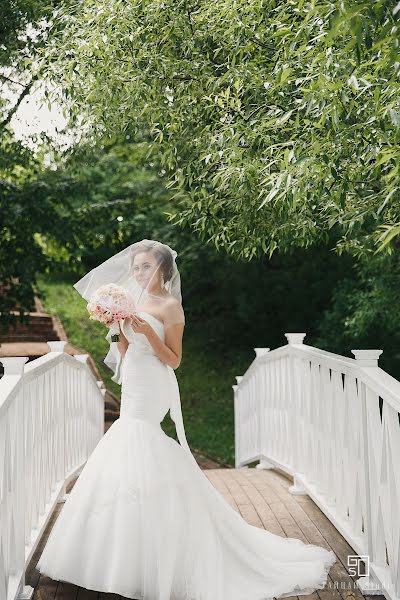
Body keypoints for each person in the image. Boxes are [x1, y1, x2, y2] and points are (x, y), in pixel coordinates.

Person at [36, 239, 336, 600]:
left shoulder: (170, 306)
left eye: (146, 266)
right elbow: (125, 350)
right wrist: (115, 328)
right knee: (127, 444)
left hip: (155, 382)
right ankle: (126, 549)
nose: (138, 272)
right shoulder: (132, 302)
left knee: (135, 435)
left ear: (162, 269)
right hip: (133, 378)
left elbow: (174, 359)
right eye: (135, 267)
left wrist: (147, 332)